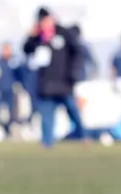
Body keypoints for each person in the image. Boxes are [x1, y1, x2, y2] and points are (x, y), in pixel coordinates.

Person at [22, 7, 83, 148]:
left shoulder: (64, 34)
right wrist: (31, 36)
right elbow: (26, 50)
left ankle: (83, 136)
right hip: (46, 84)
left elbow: (77, 52)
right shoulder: (38, 38)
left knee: (73, 111)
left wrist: (73, 74)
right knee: (47, 115)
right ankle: (47, 142)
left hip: (64, 82)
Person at [0, 43, 20, 139]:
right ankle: (4, 130)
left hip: (12, 90)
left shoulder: (15, 61)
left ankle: (11, 131)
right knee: (0, 112)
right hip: (1, 90)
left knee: (13, 112)